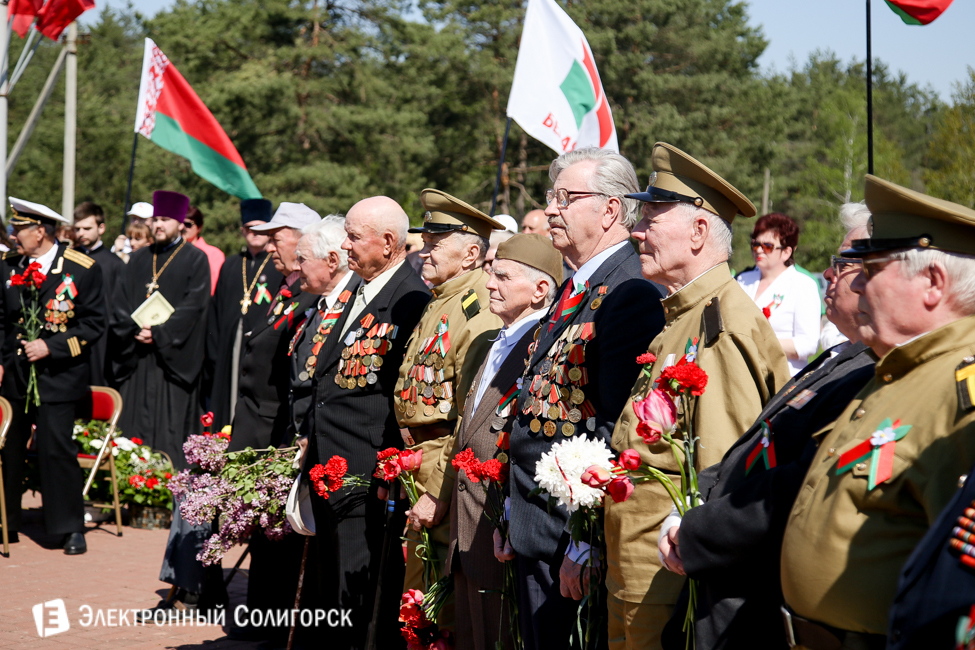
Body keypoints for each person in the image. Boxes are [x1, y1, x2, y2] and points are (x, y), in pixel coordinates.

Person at [656, 202, 877, 650]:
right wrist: (700, 496)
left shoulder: (868, 371)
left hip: (751, 586)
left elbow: (796, 483)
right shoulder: (848, 356)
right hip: (722, 571)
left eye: (844, 262)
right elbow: (755, 439)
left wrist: (699, 528)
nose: (829, 275)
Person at [601, 143, 791, 650]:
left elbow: (722, 470)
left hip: (669, 577)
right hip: (638, 565)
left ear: (700, 231)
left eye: (651, 218)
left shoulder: (721, 326)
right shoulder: (684, 315)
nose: (636, 231)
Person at [779, 176, 975, 648]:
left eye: (873, 266)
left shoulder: (960, 389)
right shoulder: (894, 369)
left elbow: (957, 580)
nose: (855, 280)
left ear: (932, 283)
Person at [505, 147, 665, 650]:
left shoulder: (629, 291)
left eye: (566, 198)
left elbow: (616, 428)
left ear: (611, 210)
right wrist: (511, 512)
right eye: (552, 197)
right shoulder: (577, 284)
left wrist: (586, 539)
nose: (551, 208)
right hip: (536, 523)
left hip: (568, 540)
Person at [305, 196, 430, 650]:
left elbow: (402, 395)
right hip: (329, 465)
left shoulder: (411, 299)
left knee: (355, 599)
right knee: (329, 587)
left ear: (389, 242)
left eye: (355, 236)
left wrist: (388, 468)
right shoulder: (360, 289)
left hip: (364, 472)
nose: (345, 244)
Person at [230, 214, 356, 646]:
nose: (295, 267)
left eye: (303, 257)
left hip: (318, 442)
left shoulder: (339, 304)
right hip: (290, 433)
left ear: (332, 259)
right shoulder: (311, 300)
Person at [446, 233, 562, 650]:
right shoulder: (500, 338)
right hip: (469, 525)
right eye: (491, 274)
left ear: (540, 289)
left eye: (503, 276)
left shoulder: (540, 348)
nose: (489, 283)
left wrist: (510, 518)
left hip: (499, 528)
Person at [394, 189, 505, 620]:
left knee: (438, 607)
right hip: (419, 461)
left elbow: (469, 416)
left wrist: (438, 490)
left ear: (471, 252)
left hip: (442, 466)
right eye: (425, 242)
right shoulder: (444, 298)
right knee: (419, 595)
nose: (424, 252)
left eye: (436, 244)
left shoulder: (476, 310)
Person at [0, 198, 105, 554]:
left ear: (39, 231)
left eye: (19, 230)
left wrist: (52, 347)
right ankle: (6, 522)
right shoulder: (8, 266)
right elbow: (2, 320)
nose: (13, 237)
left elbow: (94, 325)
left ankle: (68, 527)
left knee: (56, 450)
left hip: (57, 377)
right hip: (15, 374)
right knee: (8, 449)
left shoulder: (82, 268)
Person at [111, 190, 211, 468]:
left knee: (168, 435)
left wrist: (159, 333)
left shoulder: (195, 259)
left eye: (165, 220)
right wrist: (135, 329)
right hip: (137, 359)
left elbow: (194, 307)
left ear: (180, 223)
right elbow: (120, 302)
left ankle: (165, 497)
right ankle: (129, 494)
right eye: (155, 219)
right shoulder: (139, 259)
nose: (158, 225)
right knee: (132, 435)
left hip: (172, 363)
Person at [206, 199, 281, 434]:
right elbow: (216, 309)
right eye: (249, 228)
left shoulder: (277, 264)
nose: (254, 234)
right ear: (242, 231)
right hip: (230, 345)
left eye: (260, 228)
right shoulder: (231, 264)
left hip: (261, 349)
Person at [735, 213, 822, 375]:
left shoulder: (803, 285)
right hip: (741, 372)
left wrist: (758, 342)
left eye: (767, 246)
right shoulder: (742, 280)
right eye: (755, 244)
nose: (759, 250)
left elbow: (808, 344)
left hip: (782, 377)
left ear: (786, 252)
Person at [72, 201, 125, 387]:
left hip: (103, 340)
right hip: (73, 335)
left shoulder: (115, 264)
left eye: (87, 228)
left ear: (101, 228)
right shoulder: (69, 258)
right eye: (77, 229)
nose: (81, 234)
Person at [182, 206, 225, 295]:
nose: (183, 228)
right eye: (180, 223)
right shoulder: (170, 251)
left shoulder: (214, 254)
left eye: (188, 224)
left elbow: (214, 287)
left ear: (199, 227)